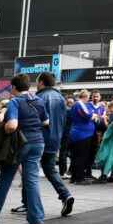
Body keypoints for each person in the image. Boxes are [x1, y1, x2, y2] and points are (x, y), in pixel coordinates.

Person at [0, 74, 49, 224]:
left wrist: (5, 124)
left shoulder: (15, 101)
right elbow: (46, 121)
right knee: (32, 181)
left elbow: (12, 126)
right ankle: (36, 221)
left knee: (5, 180)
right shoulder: (38, 100)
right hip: (38, 143)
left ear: (14, 87)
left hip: (19, 145)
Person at [17, 73, 74, 216]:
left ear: (41, 82)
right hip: (55, 138)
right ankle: (65, 195)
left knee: (28, 169)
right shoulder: (61, 98)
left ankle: (27, 203)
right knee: (50, 169)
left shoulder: (39, 97)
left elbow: (34, 119)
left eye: (37, 82)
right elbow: (64, 120)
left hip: (39, 139)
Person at [69, 90, 97, 184]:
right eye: (88, 97)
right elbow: (87, 115)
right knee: (81, 157)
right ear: (85, 96)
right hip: (82, 135)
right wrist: (93, 115)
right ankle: (79, 178)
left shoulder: (78, 104)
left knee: (76, 156)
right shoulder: (79, 104)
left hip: (80, 133)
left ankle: (74, 177)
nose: (88, 99)